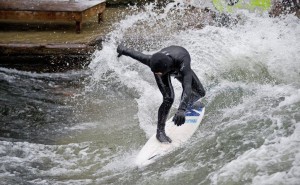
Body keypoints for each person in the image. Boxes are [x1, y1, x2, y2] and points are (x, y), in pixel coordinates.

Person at [117, 45, 205, 143]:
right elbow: (137, 55)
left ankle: (187, 105)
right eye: (155, 73)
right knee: (168, 98)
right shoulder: (151, 60)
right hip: (162, 66)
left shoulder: (183, 62)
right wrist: (123, 50)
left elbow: (187, 86)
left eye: (158, 73)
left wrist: (182, 109)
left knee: (200, 92)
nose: (157, 75)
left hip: (175, 65)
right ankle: (160, 132)